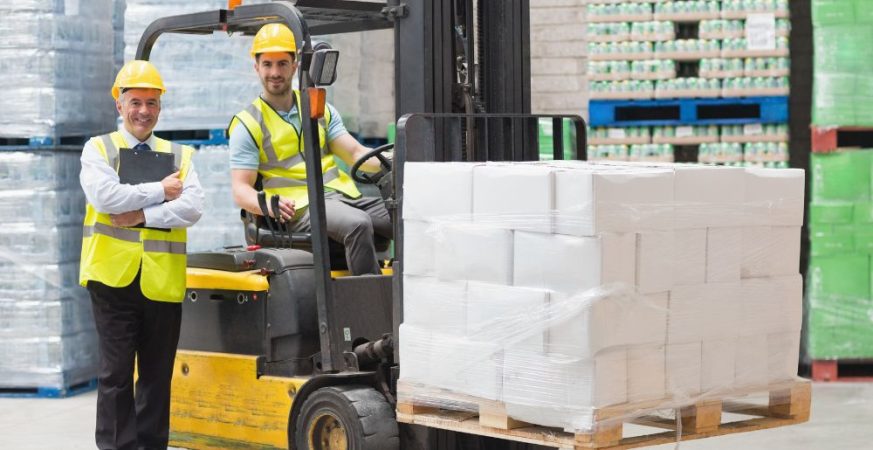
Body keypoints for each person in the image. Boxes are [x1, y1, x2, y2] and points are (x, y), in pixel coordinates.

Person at [79, 60, 204, 450]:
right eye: (135, 101)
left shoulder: (180, 155)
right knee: (115, 376)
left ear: (160, 107)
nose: (143, 111)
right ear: (120, 104)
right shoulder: (98, 149)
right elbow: (105, 197)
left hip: (162, 282)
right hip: (112, 280)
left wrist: (141, 214)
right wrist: (160, 192)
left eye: (151, 103)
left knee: (155, 377)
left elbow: (193, 207)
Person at [228, 23, 392, 275]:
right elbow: (241, 189)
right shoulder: (248, 123)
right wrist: (268, 205)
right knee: (358, 224)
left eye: (282, 63)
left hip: (342, 197)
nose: (275, 72)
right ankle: (368, 310)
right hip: (300, 207)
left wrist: (396, 161)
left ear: (295, 65)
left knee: (404, 215)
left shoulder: (319, 108)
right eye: (267, 64)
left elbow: (356, 154)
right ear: (256, 67)